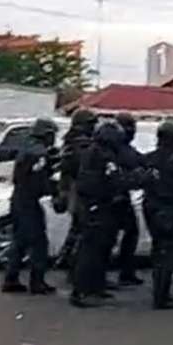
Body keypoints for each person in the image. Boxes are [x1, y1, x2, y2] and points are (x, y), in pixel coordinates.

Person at [70, 122, 127, 308]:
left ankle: (96, 286)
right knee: (90, 252)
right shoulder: (102, 156)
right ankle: (82, 292)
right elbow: (113, 180)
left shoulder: (92, 152)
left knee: (101, 249)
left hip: (96, 207)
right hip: (97, 207)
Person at [1, 118, 58, 295]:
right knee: (39, 243)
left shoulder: (26, 147)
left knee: (19, 241)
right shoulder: (38, 153)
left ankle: (11, 279)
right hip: (29, 201)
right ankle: (37, 282)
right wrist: (53, 188)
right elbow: (38, 181)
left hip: (18, 199)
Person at [143, 121, 173, 309]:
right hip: (169, 210)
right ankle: (161, 297)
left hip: (151, 208)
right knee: (168, 255)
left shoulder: (149, 158)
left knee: (158, 251)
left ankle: (159, 292)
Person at [55, 109, 97, 270]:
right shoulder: (80, 144)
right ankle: (72, 262)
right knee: (82, 228)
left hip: (72, 188)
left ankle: (67, 258)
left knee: (78, 227)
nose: (93, 127)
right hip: (77, 190)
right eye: (90, 124)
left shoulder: (70, 141)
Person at [114, 112, 144, 286]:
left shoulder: (120, 146)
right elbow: (136, 161)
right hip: (115, 197)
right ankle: (124, 272)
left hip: (120, 196)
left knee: (130, 232)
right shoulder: (118, 147)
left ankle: (126, 271)